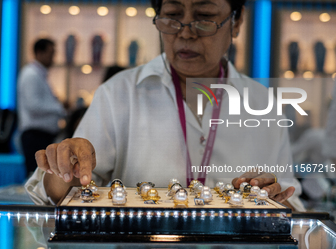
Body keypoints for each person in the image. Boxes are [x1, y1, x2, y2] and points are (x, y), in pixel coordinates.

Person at [25, 0, 304, 211]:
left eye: (204, 17)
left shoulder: (262, 104)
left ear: (237, 21)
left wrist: (274, 198)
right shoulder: (118, 93)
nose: (185, 33)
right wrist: (64, 166)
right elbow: (59, 194)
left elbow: (293, 207)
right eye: (171, 17)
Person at [18, 39, 66, 176]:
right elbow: (33, 106)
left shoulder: (39, 75)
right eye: (50, 53)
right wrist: (60, 109)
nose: (53, 58)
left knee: (43, 177)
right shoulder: (30, 75)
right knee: (36, 178)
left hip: (42, 136)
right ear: (39, 53)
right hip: (35, 136)